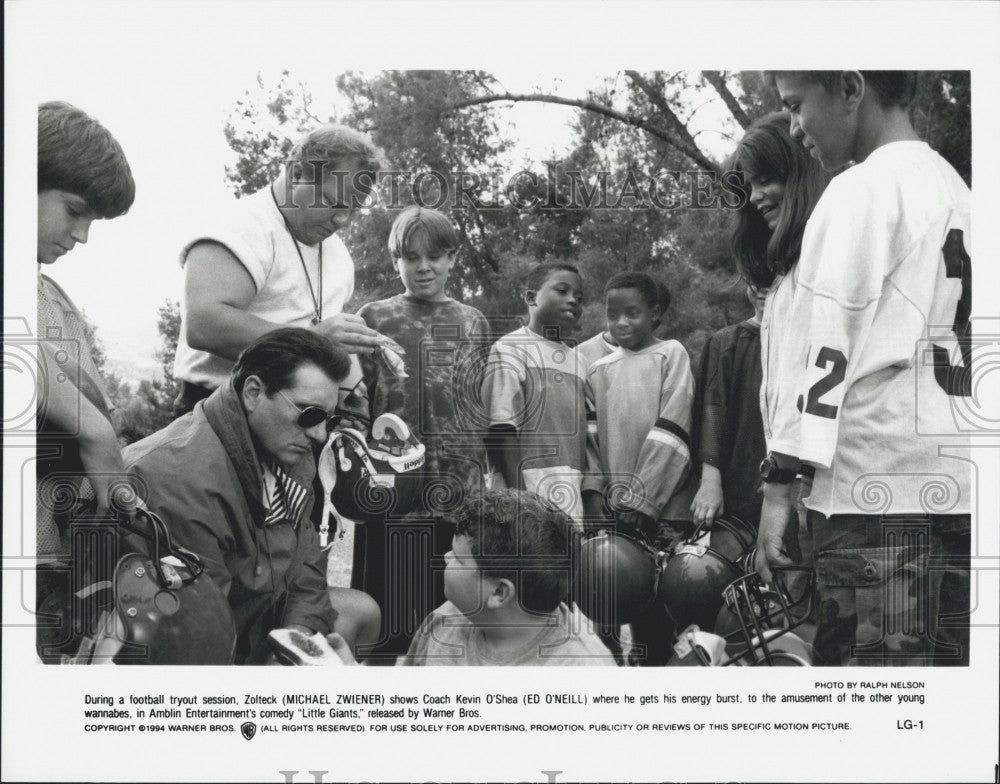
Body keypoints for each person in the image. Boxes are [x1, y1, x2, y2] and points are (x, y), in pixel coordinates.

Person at [758, 71, 971, 666]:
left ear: (850, 89)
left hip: (874, 502)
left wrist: (778, 489)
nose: (795, 128)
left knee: (866, 711)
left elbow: (825, 352)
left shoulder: (861, 190)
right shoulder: (960, 190)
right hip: (959, 490)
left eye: (796, 106)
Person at [123, 329, 381, 664]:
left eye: (327, 420)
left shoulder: (286, 447)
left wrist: (295, 640)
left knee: (363, 612)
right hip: (182, 644)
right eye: (309, 414)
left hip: (249, 615)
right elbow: (199, 637)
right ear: (254, 393)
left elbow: (306, 571)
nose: (319, 435)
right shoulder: (178, 482)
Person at [171, 124, 387, 418]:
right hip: (224, 411)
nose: (343, 220)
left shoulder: (338, 255)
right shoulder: (241, 225)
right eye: (332, 202)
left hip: (305, 418)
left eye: (353, 209)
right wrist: (313, 343)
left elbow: (335, 341)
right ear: (296, 173)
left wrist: (355, 399)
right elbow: (204, 325)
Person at [351, 206, 490, 661]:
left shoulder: (473, 322)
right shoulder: (372, 318)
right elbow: (355, 404)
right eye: (410, 257)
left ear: (452, 259)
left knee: (447, 628)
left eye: (434, 256)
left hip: (456, 496)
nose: (423, 266)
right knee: (384, 625)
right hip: (392, 493)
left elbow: (478, 406)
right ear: (396, 262)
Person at [690, 112, 830, 529]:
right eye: (748, 186)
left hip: (823, 488)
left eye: (767, 179)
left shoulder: (824, 266)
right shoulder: (729, 340)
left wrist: (782, 492)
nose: (755, 196)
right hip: (772, 487)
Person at [34, 101, 138, 661]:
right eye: (74, 211)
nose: (82, 235)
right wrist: (93, 429)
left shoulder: (50, 293)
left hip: (54, 553)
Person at [583, 271, 696, 665]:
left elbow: (674, 428)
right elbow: (591, 442)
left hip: (662, 509)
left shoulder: (671, 355)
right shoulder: (598, 371)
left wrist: (641, 499)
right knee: (615, 602)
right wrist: (597, 495)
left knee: (663, 611)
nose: (621, 323)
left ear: (655, 313)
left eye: (632, 313)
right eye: (613, 315)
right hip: (618, 511)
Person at [395, 490, 616, 666]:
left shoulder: (583, 669)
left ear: (499, 592)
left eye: (458, 558)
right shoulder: (442, 622)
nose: (445, 557)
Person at [483, 263, 588, 523]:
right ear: (531, 298)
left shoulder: (579, 361)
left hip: (569, 497)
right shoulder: (510, 348)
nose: (573, 300)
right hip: (523, 498)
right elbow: (501, 428)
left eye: (579, 297)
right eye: (562, 291)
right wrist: (520, 500)